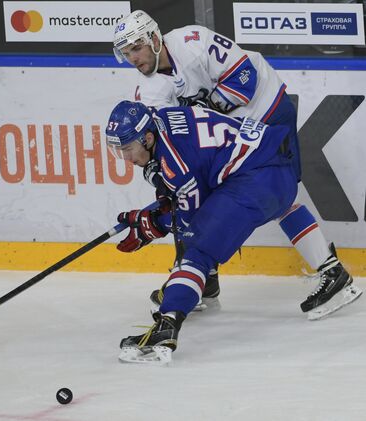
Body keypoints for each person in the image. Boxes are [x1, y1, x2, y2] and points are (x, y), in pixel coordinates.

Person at [112, 10, 359, 315]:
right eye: (126, 53)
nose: (133, 58)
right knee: (198, 196)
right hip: (232, 136)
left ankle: (331, 272)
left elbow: (245, 77)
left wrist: (208, 108)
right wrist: (160, 181)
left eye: (136, 48)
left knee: (274, 194)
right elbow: (162, 142)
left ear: (153, 38)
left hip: (266, 108)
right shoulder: (148, 93)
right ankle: (205, 279)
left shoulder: (193, 41)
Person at [105, 100, 362, 365]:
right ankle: (332, 272)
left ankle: (167, 325)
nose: (126, 158)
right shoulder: (163, 118)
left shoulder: (176, 163)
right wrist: (160, 205)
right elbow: (188, 176)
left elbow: (189, 219)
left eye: (127, 149)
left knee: (198, 249)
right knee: (277, 207)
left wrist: (154, 224)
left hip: (254, 181)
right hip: (278, 166)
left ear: (147, 138)